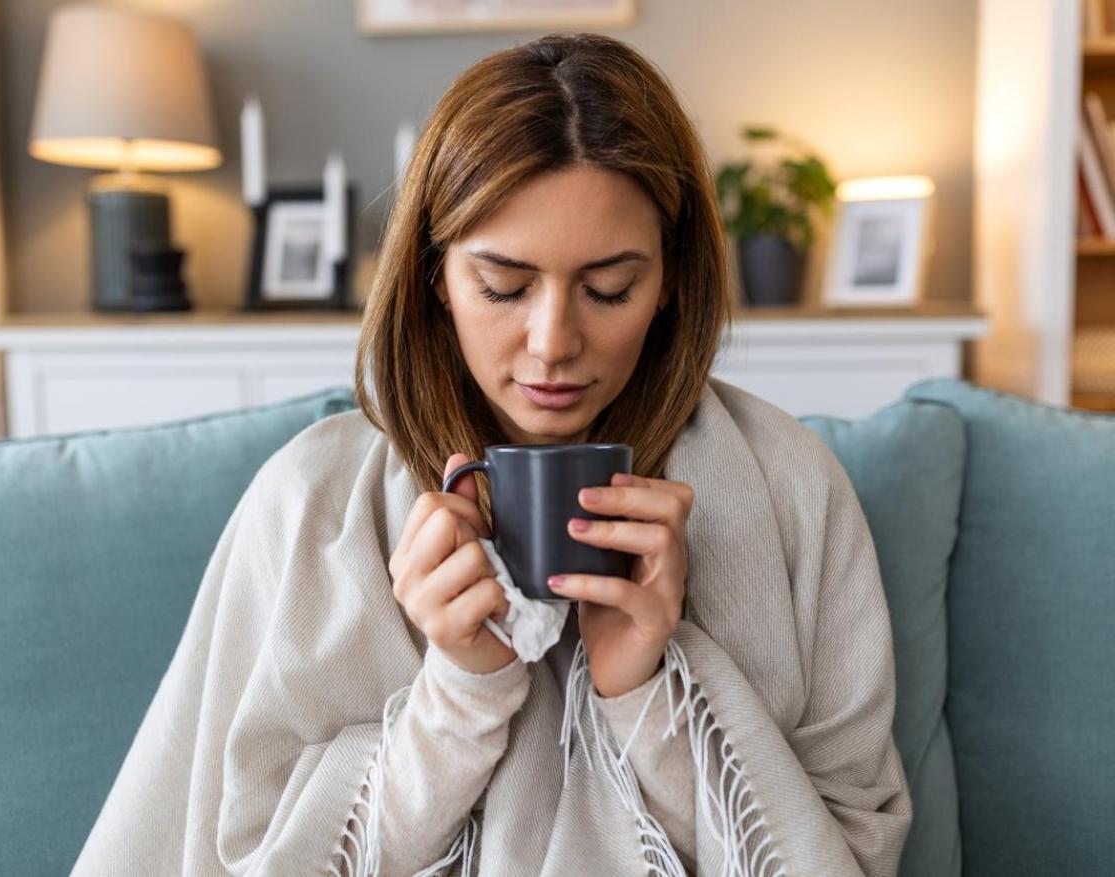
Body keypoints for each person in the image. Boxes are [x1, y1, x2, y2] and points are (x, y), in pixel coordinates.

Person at [71, 32, 912, 877]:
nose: (553, 343)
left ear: (670, 285)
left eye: (609, 288)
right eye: (503, 286)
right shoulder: (311, 504)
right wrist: (463, 691)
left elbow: (851, 853)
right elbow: (254, 854)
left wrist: (647, 689)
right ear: (436, 276)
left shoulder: (792, 488)